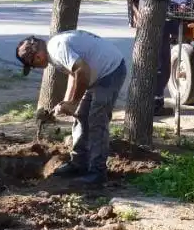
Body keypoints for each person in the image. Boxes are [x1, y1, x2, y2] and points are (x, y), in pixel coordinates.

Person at [16, 31, 126, 186]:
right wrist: (67, 102)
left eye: (33, 65)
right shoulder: (54, 51)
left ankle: (97, 173)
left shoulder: (57, 48)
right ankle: (79, 163)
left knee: (97, 120)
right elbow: (74, 72)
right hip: (95, 73)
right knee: (81, 116)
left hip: (110, 72)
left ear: (38, 57)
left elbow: (82, 71)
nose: (36, 68)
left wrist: (74, 101)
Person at [137, 0, 194, 116]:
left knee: (155, 67)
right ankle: (155, 106)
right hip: (158, 28)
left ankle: (152, 103)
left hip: (150, 28)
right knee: (161, 68)